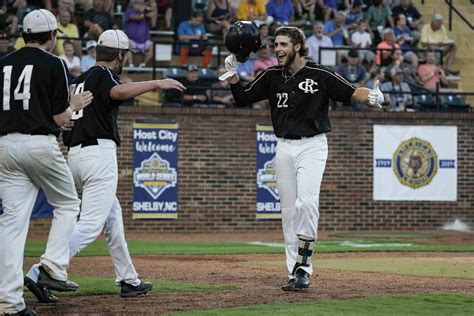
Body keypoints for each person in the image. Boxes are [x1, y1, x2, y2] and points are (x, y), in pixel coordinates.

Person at [25, 29, 186, 300]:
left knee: (112, 216)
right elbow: (117, 91)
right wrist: (157, 83)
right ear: (120, 55)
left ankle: (128, 279)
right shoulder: (104, 74)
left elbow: (68, 118)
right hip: (97, 155)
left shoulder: (79, 79)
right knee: (90, 224)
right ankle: (45, 269)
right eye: (125, 56)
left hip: (74, 155)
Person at [221, 25, 383, 291]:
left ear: (297, 46)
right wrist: (233, 74)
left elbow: (351, 91)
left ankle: (304, 267)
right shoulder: (272, 75)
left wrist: (372, 97)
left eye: (284, 44)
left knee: (307, 203)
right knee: (288, 213)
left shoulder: (320, 74)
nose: (278, 50)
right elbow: (243, 99)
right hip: (283, 147)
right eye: (276, 45)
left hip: (313, 145)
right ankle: (293, 272)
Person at [0, 9, 93, 315]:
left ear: (24, 34)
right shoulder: (55, 62)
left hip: (5, 146)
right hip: (39, 145)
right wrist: (73, 107)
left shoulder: (3, 64)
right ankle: (52, 266)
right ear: (52, 35)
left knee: (12, 223)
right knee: (68, 205)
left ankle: (10, 303)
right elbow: (57, 117)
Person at [124, 0, 154, 68]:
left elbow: (152, 14)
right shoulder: (129, 11)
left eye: (142, 3)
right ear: (132, 4)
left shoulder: (145, 12)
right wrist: (142, 11)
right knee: (127, 44)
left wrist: (147, 9)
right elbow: (137, 17)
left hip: (144, 41)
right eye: (139, 3)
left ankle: (143, 64)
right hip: (131, 40)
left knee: (153, 47)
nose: (141, 5)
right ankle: (131, 65)